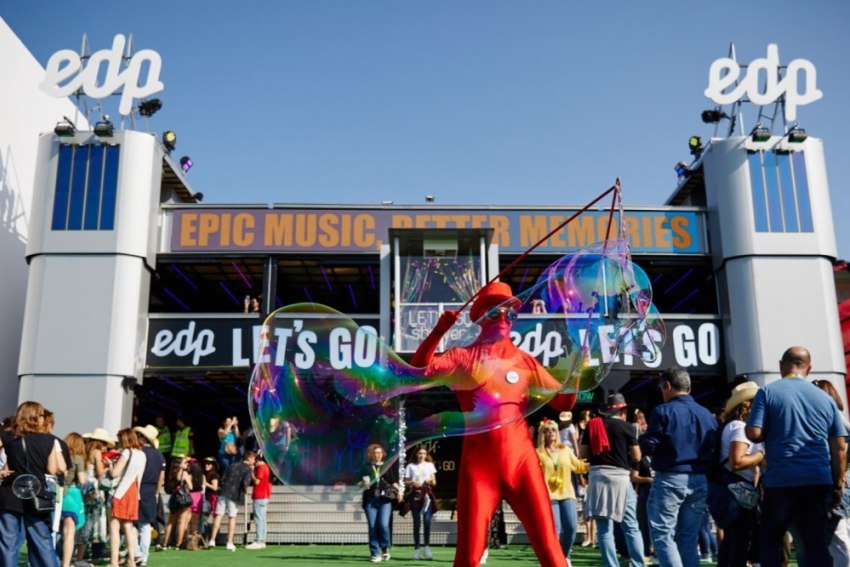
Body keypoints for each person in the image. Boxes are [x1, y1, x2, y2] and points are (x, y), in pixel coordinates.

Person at [411, 281, 575, 567]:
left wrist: (574, 372)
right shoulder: (462, 357)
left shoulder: (526, 361)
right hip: (480, 469)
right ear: (479, 316)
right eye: (496, 312)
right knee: (469, 557)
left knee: (551, 549)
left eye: (510, 313)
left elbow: (563, 404)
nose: (504, 318)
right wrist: (439, 332)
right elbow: (418, 370)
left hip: (522, 464)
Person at [745, 346, 848, 567]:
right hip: (817, 480)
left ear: (782, 365)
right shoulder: (825, 399)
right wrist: (837, 484)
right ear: (808, 368)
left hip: (781, 480)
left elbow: (753, 433)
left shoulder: (768, 392)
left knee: (770, 539)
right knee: (815, 543)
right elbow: (839, 446)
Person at [640, 366, 718, 567]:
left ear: (667, 386)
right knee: (688, 538)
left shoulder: (663, 411)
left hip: (671, 478)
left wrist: (643, 439)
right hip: (699, 478)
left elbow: (650, 445)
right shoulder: (706, 414)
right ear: (689, 388)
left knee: (663, 534)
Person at [580, 393, 645, 567]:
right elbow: (637, 456)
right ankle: (638, 564)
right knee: (631, 526)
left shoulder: (592, 426)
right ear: (623, 410)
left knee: (604, 530)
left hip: (598, 477)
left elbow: (582, 455)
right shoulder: (628, 428)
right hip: (621, 479)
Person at [0, 401, 63, 567]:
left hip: (10, 492)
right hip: (37, 492)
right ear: (35, 417)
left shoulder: (7, 437)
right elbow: (52, 469)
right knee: (43, 541)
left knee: (8, 543)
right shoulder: (48, 440)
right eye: (41, 415)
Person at [714, 381, 763, 567]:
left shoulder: (733, 425)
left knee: (732, 539)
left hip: (730, 490)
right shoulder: (740, 427)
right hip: (735, 491)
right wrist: (761, 454)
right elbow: (737, 462)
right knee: (739, 540)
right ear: (747, 405)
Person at [537, 417, 589, 560]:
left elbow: (578, 466)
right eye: (546, 430)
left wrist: (594, 464)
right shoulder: (537, 453)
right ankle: (555, 559)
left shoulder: (565, 449)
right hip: (548, 495)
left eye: (553, 429)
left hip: (567, 493)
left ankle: (563, 556)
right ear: (542, 434)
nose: (550, 432)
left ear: (557, 432)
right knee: (555, 529)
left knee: (572, 528)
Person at [813, 379, 850, 566]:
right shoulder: (840, 417)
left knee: (838, 539)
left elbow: (839, 449)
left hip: (837, 483)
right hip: (843, 482)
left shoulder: (831, 419)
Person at [105, 428, 147, 567]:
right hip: (133, 491)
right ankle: (131, 560)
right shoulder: (142, 454)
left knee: (114, 527)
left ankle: (113, 562)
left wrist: (110, 465)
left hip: (120, 491)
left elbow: (115, 474)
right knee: (129, 526)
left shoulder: (126, 452)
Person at [359, 443, 402, 562]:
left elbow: (393, 481)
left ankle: (385, 547)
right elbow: (360, 484)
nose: (378, 455)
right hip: (370, 500)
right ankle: (374, 553)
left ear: (383, 454)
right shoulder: (366, 467)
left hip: (385, 500)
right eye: (375, 453)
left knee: (383, 524)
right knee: (372, 526)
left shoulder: (387, 465)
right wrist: (363, 484)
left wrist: (399, 491)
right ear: (371, 454)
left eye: (380, 453)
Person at [209, 450, 257, 551]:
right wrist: (245, 491)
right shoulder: (247, 469)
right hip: (234, 494)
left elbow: (224, 477)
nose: (254, 460)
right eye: (253, 458)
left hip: (223, 491)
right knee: (232, 517)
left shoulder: (232, 465)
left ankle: (212, 540)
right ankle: (229, 542)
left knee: (218, 516)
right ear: (248, 458)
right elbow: (245, 483)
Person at [132, 425, 165, 567]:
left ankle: (136, 552)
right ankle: (143, 555)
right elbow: (161, 478)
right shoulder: (159, 455)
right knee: (146, 525)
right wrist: (157, 493)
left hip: (137, 487)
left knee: (132, 523)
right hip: (151, 489)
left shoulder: (138, 452)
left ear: (144, 438)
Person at [404, 446, 438, 560]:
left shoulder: (430, 465)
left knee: (427, 521)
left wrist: (428, 480)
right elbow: (406, 481)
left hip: (427, 495)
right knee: (417, 522)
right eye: (419, 453)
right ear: (416, 454)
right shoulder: (410, 466)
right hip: (415, 495)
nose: (422, 455)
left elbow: (434, 481)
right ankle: (417, 549)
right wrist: (413, 482)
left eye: (424, 453)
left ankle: (427, 547)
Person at [60, 432, 87, 567]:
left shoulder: (59, 456)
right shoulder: (77, 458)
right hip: (71, 495)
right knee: (69, 533)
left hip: (57, 493)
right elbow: (82, 480)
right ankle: (65, 564)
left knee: (56, 530)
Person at [163, 456, 192, 549]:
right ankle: (178, 544)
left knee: (171, 521)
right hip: (183, 498)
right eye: (185, 463)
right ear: (180, 465)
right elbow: (191, 487)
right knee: (182, 521)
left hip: (174, 497)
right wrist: (189, 480)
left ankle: (165, 542)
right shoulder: (185, 474)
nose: (187, 464)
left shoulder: (172, 473)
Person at [246, 453, 271, 549]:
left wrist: (252, 473)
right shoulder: (267, 467)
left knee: (259, 519)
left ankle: (259, 540)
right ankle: (262, 540)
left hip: (260, 495)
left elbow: (257, 481)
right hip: (265, 495)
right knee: (263, 519)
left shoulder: (261, 468)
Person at [201, 457, 220, 540]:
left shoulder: (214, 474)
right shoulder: (205, 474)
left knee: (211, 518)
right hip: (207, 496)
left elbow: (215, 488)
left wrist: (205, 483)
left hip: (212, 497)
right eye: (205, 463)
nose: (206, 465)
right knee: (206, 518)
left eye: (209, 464)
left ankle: (213, 537)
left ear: (213, 465)